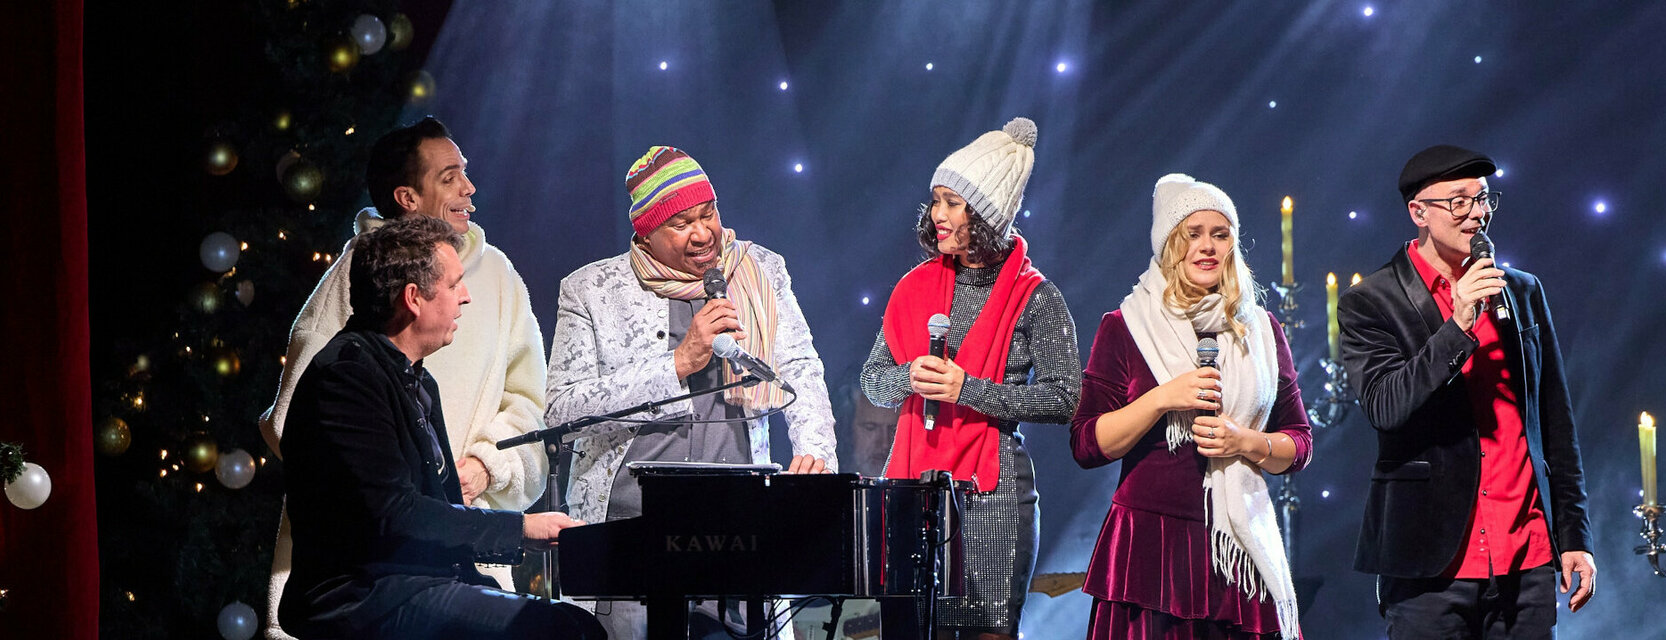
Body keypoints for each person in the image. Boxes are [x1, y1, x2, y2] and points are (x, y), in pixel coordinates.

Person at [260, 116, 549, 639]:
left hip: (451, 548)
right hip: (366, 576)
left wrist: (489, 465)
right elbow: (300, 425)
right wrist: (385, 483)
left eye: (466, 172)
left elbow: (528, 400)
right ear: (408, 197)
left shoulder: (499, 280)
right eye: (449, 176)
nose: (469, 187)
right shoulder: (351, 303)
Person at [546, 146, 837, 638]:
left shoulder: (759, 269)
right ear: (645, 231)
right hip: (629, 532)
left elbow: (800, 367)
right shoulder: (591, 289)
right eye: (681, 223)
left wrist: (816, 450)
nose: (704, 234)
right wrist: (679, 363)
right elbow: (562, 411)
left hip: (738, 529)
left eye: (709, 214)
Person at [278, 216, 603, 639]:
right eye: (453, 285)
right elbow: (396, 514)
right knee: (558, 630)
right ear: (413, 298)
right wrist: (520, 529)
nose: (465, 297)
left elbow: (439, 510)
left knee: (577, 624)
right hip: (363, 595)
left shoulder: (414, 377)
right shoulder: (346, 376)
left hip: (416, 583)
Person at [1338, 145, 1596, 639]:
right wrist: (1458, 325)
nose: (1478, 213)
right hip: (1430, 566)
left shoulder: (1521, 291)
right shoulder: (1370, 301)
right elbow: (1386, 406)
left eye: (1483, 199)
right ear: (1419, 212)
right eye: (1459, 201)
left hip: (1528, 558)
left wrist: (1575, 537)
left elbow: (1555, 421)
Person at [860, 117, 1080, 640]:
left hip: (994, 494)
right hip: (914, 491)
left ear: (986, 213)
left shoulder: (1036, 297)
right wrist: (910, 377)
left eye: (952, 203)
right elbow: (873, 381)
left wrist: (968, 390)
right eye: (935, 200)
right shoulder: (913, 288)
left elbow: (1066, 397)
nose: (938, 215)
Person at [1070, 174, 1310, 639]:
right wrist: (1162, 398)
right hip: (1150, 549)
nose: (1207, 247)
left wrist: (1247, 441)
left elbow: (1299, 443)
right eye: (1192, 234)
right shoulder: (1125, 326)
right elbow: (1086, 445)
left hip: (1237, 549)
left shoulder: (1262, 330)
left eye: (1220, 235)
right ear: (1168, 245)